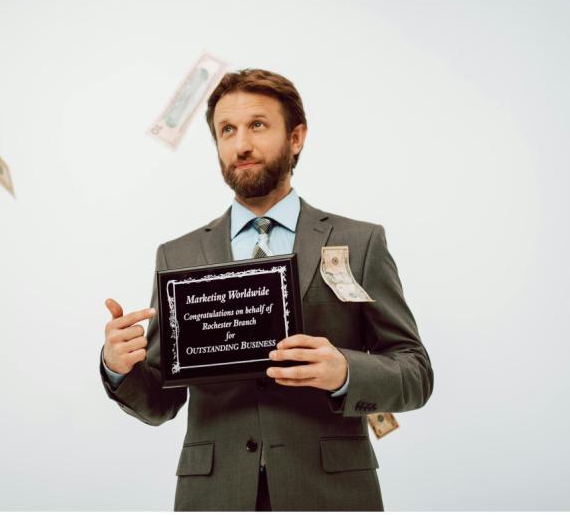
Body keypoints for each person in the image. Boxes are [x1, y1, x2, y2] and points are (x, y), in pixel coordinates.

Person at [99, 68, 433, 511]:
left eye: (258, 125)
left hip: (330, 493)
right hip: (214, 495)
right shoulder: (177, 256)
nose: (241, 144)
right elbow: (161, 399)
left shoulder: (360, 243)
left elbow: (415, 371)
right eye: (227, 130)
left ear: (296, 138)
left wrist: (345, 372)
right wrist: (119, 368)